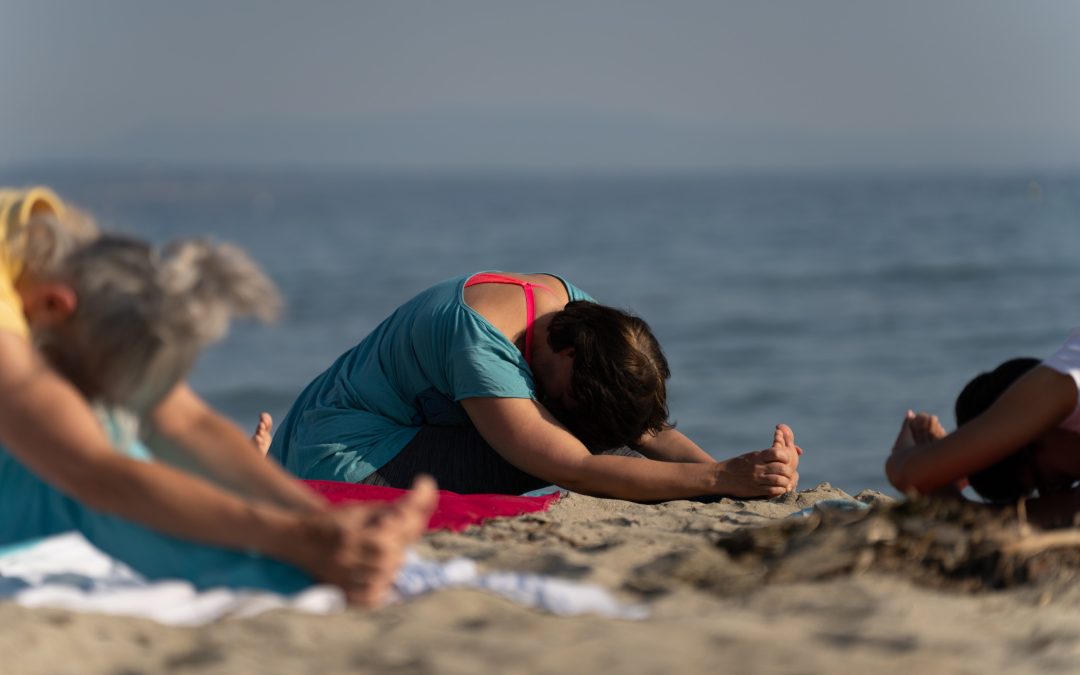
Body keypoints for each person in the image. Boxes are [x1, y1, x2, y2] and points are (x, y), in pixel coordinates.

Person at [0, 188, 435, 605]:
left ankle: (318, 562)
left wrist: (320, 518)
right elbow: (94, 471)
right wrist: (298, 539)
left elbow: (181, 420)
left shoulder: (49, 240)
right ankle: (299, 574)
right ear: (56, 306)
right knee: (92, 451)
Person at [268, 272, 801, 501]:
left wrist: (748, 473)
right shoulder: (479, 342)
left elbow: (639, 429)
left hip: (388, 432)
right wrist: (716, 479)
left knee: (593, 423)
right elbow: (577, 467)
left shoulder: (573, 312)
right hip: (342, 456)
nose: (562, 401)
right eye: (570, 390)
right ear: (565, 354)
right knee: (575, 440)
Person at [888, 337, 1080, 505]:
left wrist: (913, 456)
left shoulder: (1061, 385)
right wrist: (957, 466)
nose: (1071, 484)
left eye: (1059, 481)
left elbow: (908, 475)